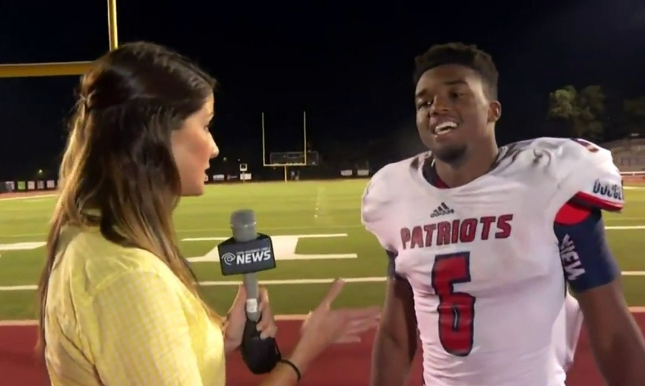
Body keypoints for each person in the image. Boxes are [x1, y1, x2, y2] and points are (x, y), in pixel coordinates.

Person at [36, 41, 380, 386]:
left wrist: (223, 337)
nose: (214, 147)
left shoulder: (91, 241)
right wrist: (305, 351)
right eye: (205, 125)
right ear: (155, 136)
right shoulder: (126, 277)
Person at [362, 42, 645, 385]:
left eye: (456, 95)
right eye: (425, 102)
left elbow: (612, 328)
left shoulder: (548, 180)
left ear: (493, 110)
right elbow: (396, 331)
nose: (436, 108)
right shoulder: (397, 195)